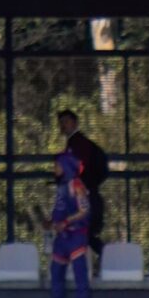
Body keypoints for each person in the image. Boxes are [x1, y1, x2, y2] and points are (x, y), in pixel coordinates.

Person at [55, 111, 109, 262]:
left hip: (87, 199)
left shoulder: (79, 144)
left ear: (75, 123)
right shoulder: (75, 143)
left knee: (84, 233)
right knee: (85, 235)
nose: (63, 125)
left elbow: (78, 169)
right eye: (61, 122)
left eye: (66, 121)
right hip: (86, 198)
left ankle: (109, 260)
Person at [48, 149, 91, 298]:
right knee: (56, 272)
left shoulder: (76, 185)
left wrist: (66, 222)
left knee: (80, 275)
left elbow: (84, 210)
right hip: (62, 237)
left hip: (76, 236)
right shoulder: (61, 186)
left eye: (57, 165)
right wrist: (51, 222)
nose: (55, 169)